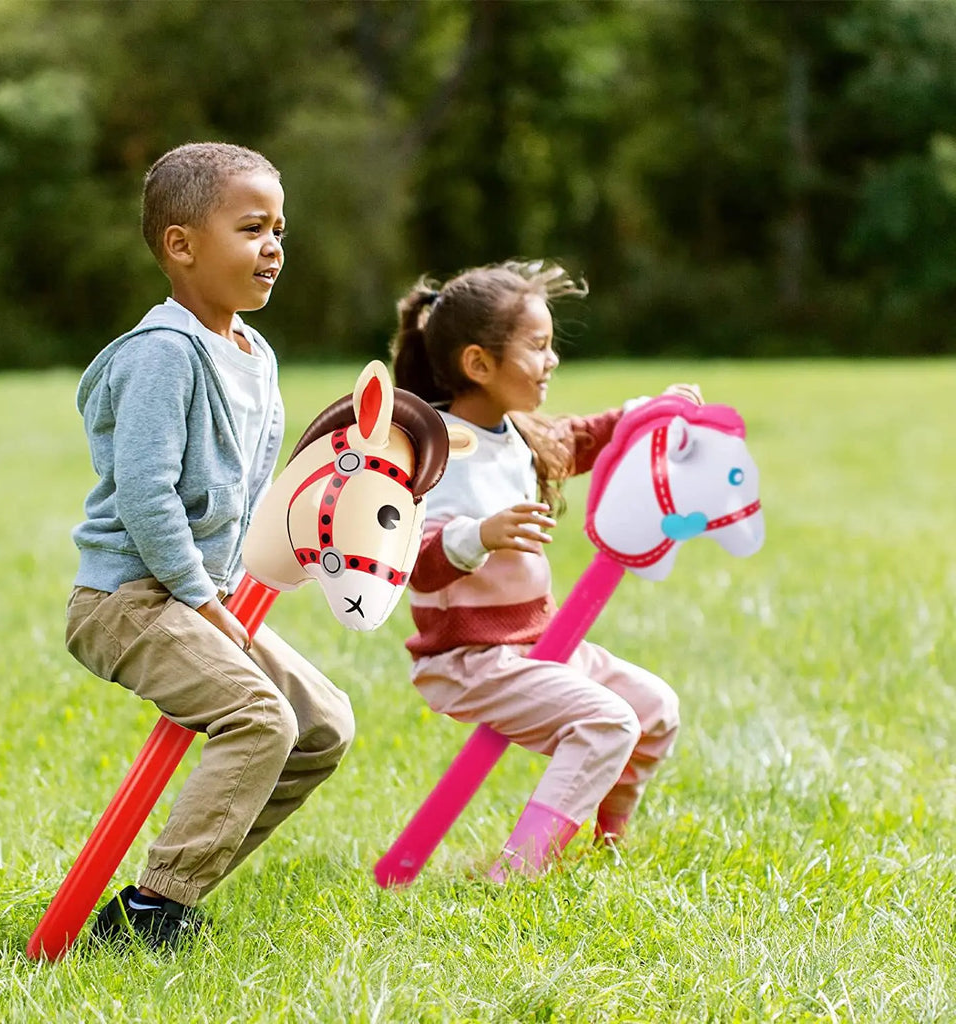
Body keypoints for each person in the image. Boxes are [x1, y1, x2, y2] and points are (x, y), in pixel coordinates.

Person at [65, 142, 354, 949]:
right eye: (252, 228)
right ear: (182, 245)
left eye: (280, 230)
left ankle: (171, 892)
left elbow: (255, 490)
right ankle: (156, 911)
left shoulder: (253, 355)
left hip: (204, 595)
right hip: (128, 601)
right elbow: (147, 495)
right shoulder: (163, 356)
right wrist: (201, 598)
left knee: (323, 724)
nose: (274, 248)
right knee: (259, 716)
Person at [389, 260, 699, 881]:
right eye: (537, 346)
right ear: (479, 364)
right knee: (608, 722)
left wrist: (647, 412)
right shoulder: (436, 449)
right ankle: (519, 872)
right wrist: (480, 534)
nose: (552, 359)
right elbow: (411, 565)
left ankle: (605, 845)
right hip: (469, 661)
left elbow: (580, 436)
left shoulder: (517, 433)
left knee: (655, 710)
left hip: (539, 647)